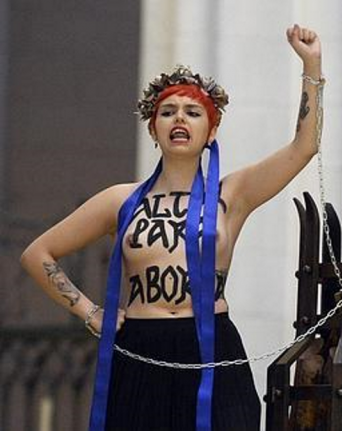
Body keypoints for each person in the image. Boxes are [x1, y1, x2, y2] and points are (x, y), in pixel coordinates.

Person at [20, 24, 323, 431]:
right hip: (141, 348)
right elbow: (37, 254)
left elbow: (304, 146)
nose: (180, 119)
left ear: (211, 130)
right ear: (153, 128)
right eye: (168, 112)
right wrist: (88, 310)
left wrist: (311, 63)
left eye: (193, 112)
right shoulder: (120, 199)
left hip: (211, 343)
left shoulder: (232, 194)